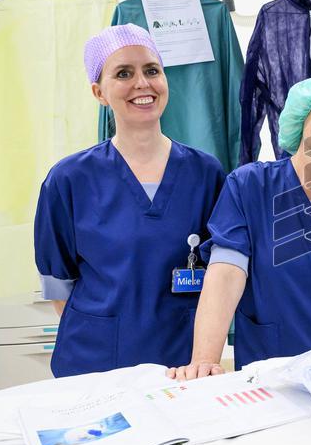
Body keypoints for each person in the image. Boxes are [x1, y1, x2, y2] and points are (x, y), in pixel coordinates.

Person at [168, 71, 311, 380]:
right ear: (303, 114)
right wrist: (204, 361)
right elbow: (225, 275)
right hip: (267, 371)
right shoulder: (250, 185)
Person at [34, 24, 225, 377]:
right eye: (124, 73)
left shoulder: (205, 173)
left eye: (152, 70)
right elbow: (59, 284)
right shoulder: (69, 178)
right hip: (94, 362)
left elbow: (222, 272)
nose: (142, 83)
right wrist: (106, 331)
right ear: (99, 92)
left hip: (182, 363)